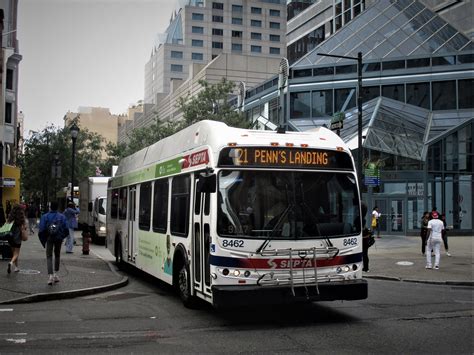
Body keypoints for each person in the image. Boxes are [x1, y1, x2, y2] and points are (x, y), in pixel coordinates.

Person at [38, 201, 68, 285]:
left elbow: (41, 229)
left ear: (50, 207)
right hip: (58, 238)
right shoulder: (61, 217)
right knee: (57, 254)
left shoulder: (45, 216)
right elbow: (66, 228)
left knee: (49, 255)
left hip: (49, 238)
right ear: (57, 207)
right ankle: (56, 274)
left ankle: (50, 276)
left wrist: (44, 239)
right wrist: (62, 236)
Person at [6, 204, 28, 274]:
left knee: (14, 253)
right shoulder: (21, 218)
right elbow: (25, 227)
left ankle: (16, 267)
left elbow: (7, 225)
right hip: (18, 238)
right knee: (16, 253)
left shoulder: (10, 218)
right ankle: (11, 263)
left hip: (10, 238)